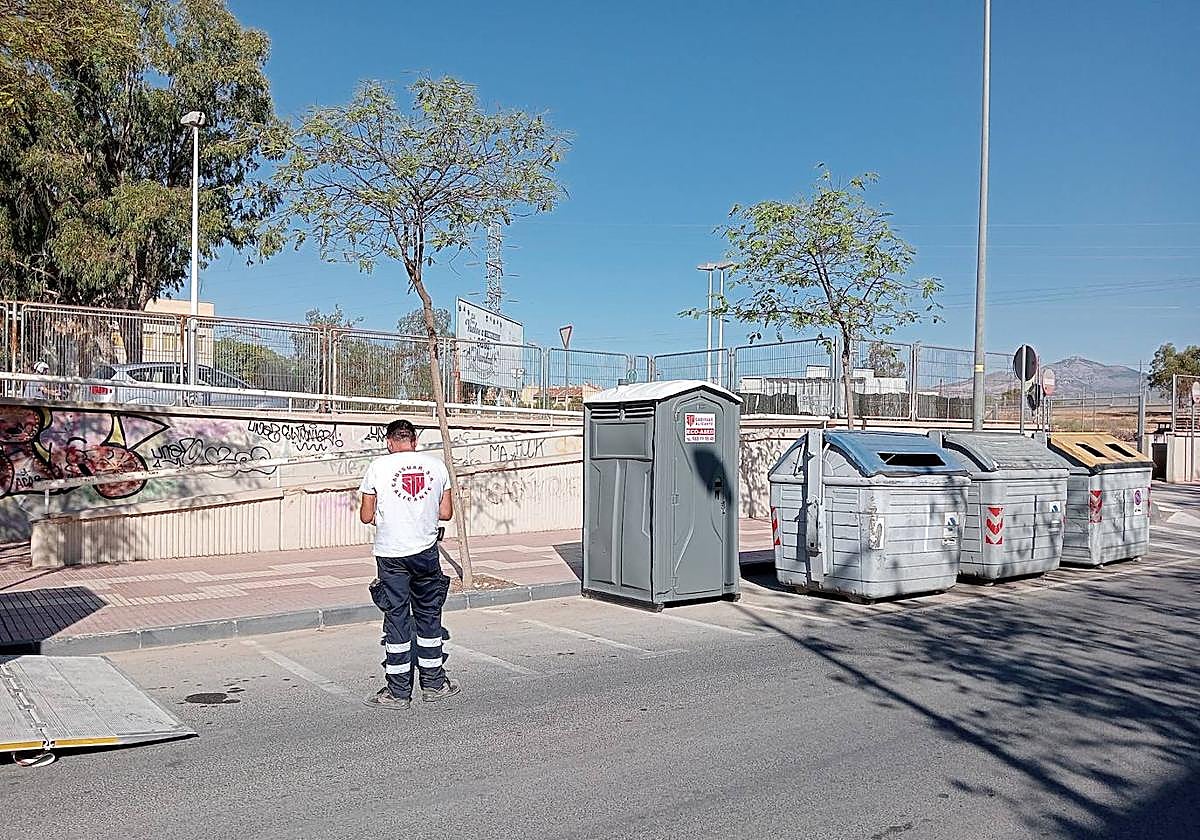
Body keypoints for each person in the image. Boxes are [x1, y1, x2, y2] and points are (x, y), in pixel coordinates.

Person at [359, 418, 460, 710]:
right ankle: (434, 684)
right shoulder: (437, 467)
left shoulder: (378, 467)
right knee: (429, 616)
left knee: (397, 618)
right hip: (425, 552)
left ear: (389, 441)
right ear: (414, 441)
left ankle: (398, 692)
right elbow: (446, 513)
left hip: (391, 555)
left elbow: (366, 516)